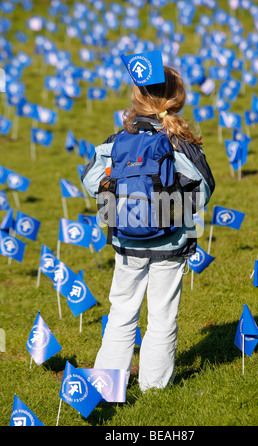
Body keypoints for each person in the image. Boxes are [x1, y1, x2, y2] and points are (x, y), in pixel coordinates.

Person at [81, 65, 215, 392]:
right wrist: (174, 212)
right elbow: (204, 188)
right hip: (171, 244)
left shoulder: (117, 142)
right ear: (176, 99)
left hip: (126, 241)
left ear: (136, 99)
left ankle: (104, 387)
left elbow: (88, 181)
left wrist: (121, 202)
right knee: (162, 317)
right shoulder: (179, 142)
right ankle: (154, 390)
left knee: (121, 313)